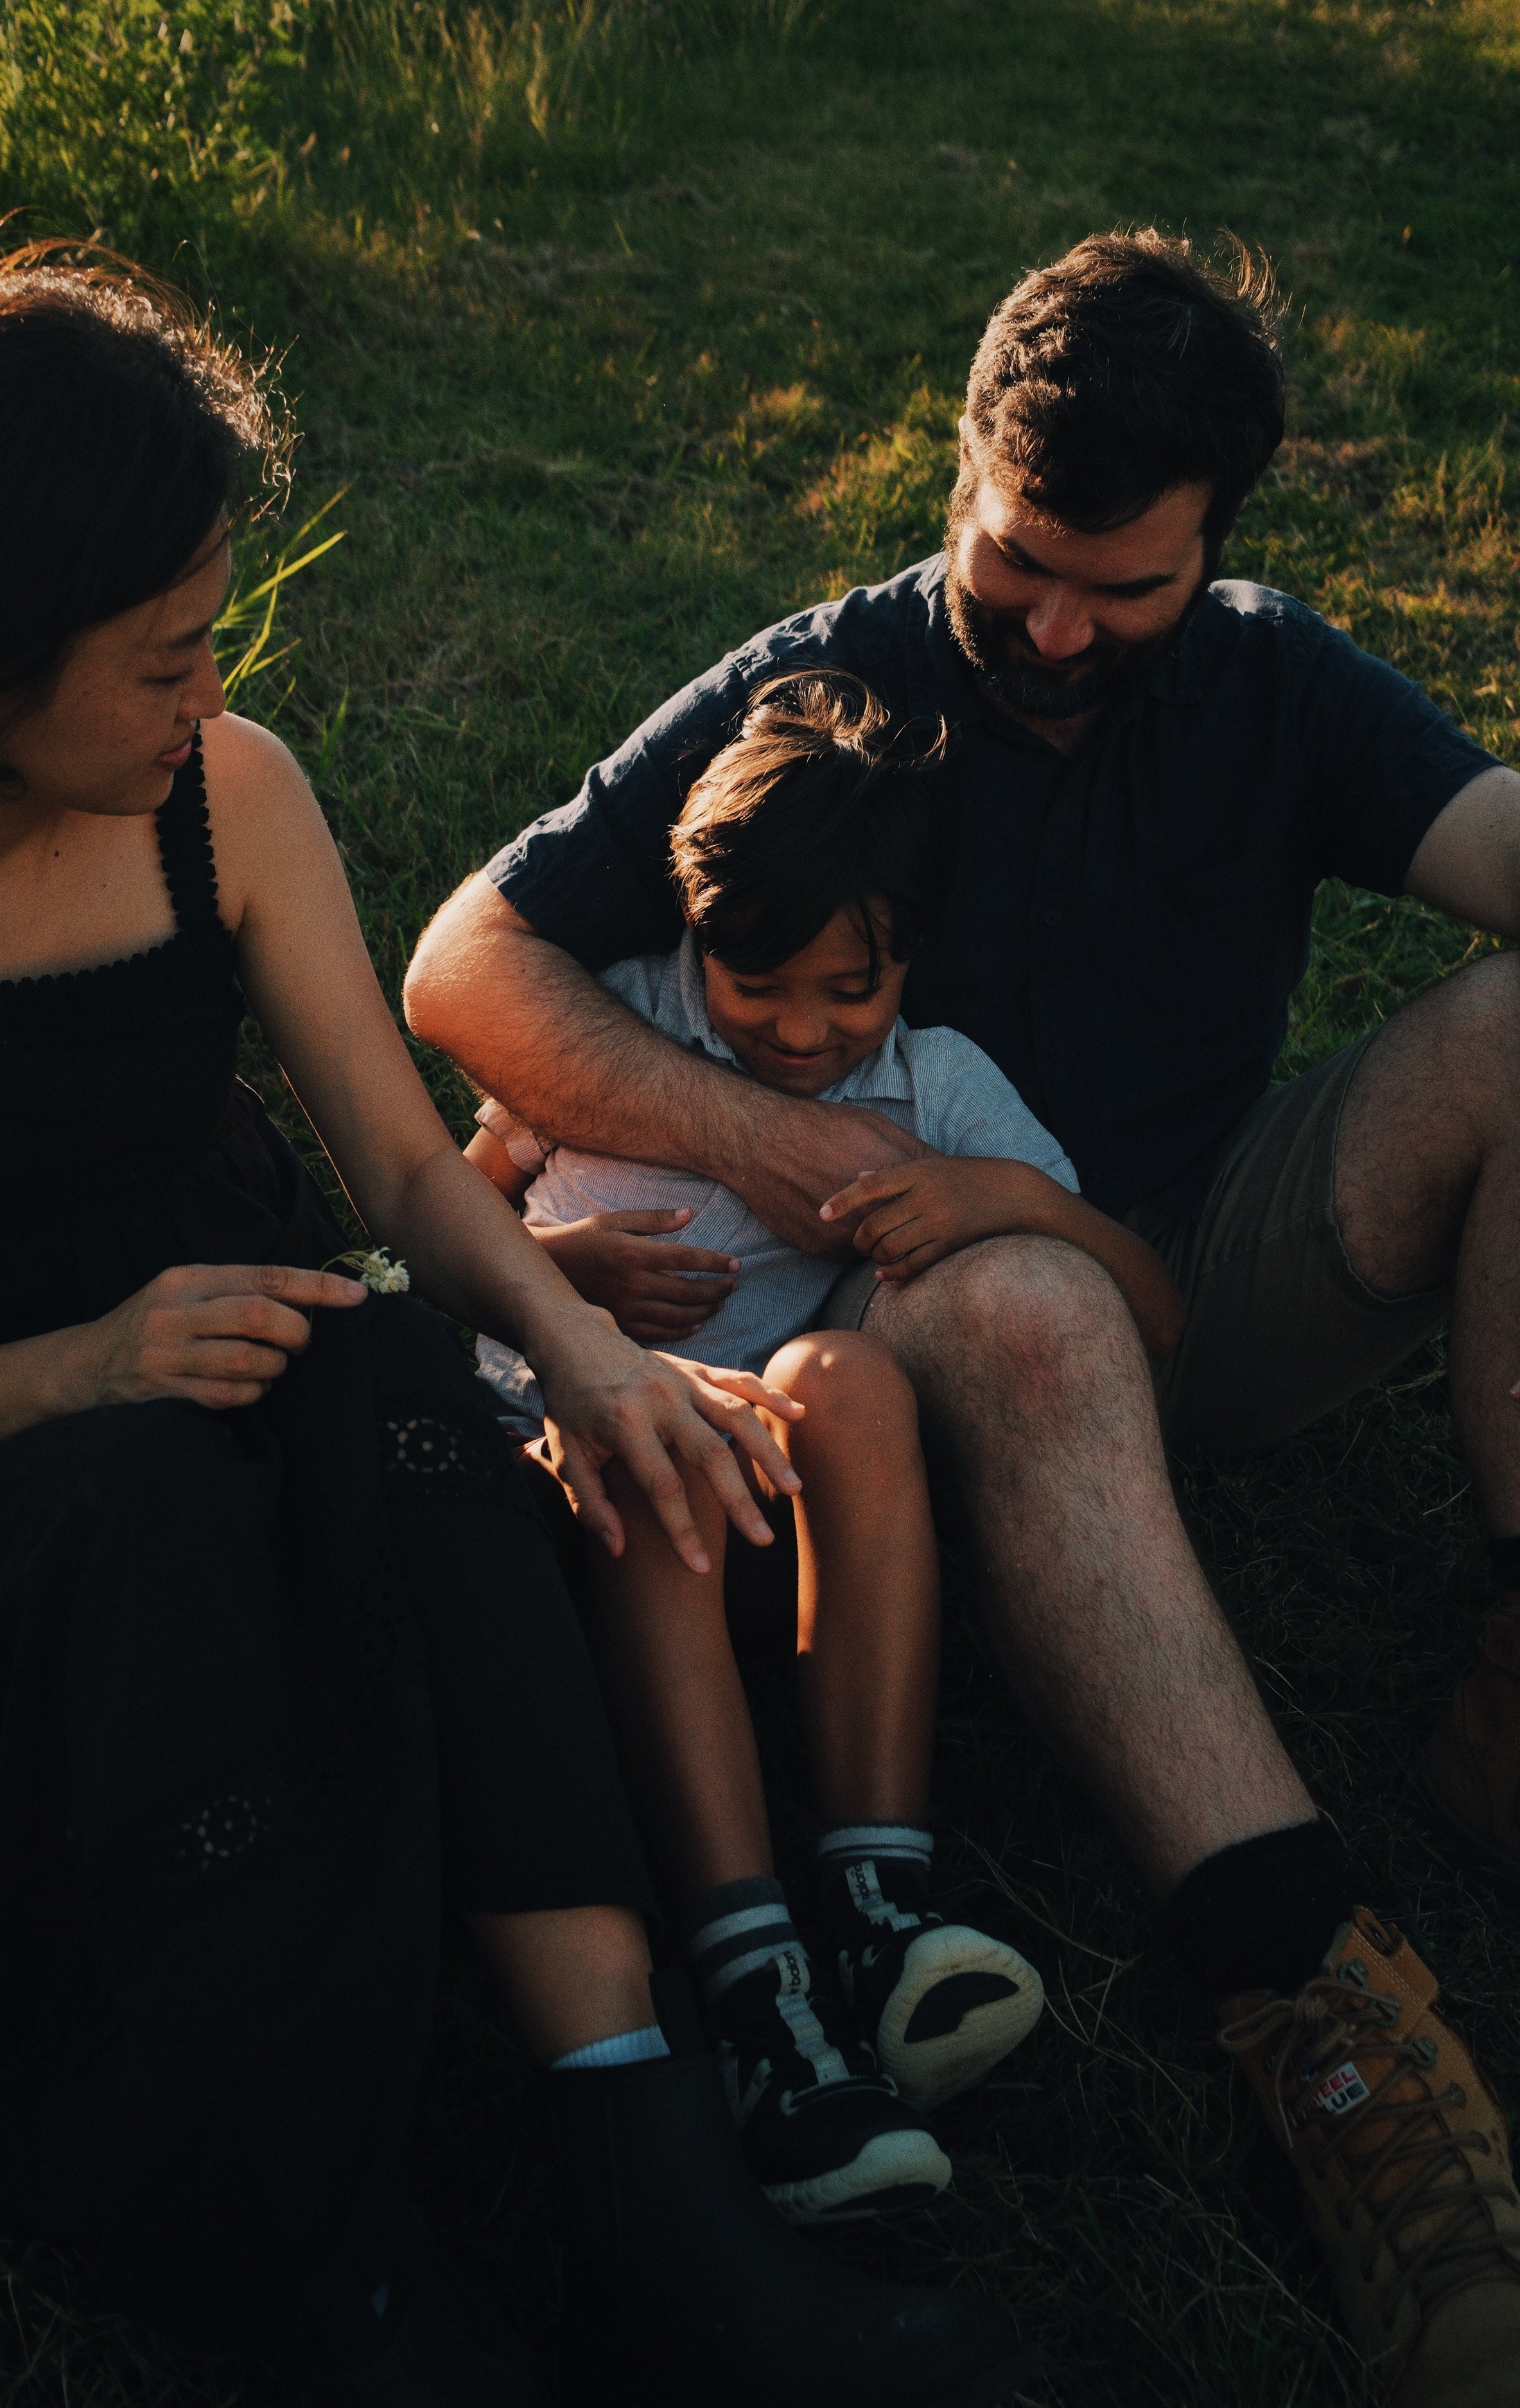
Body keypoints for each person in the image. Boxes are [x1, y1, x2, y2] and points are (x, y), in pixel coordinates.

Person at [405, 225, 1520, 2403]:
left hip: (1187, 1261)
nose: (1052, 627)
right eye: (1014, 560)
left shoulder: (1274, 674)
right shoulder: (839, 687)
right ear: (959, 469)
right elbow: (462, 970)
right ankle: (1325, 2025)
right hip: (902, 1308)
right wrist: (791, 1157)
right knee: (1030, 1302)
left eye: (1117, 590)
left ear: (1217, 541)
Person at [0, 245, 1040, 2408]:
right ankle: (308, 2263)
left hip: (241, 1335)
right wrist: (63, 1374)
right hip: (47, 1428)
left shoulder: (228, 796)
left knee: (402, 1387)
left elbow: (397, 1178)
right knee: (153, 1531)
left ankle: (649, 2162)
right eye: (162, 657)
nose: (213, 692)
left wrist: (581, 1356)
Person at [467, 667, 1184, 2226]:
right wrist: (563, 1284)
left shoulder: (934, 1091)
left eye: (845, 992)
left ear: (906, 959)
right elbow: (447, 1210)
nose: (798, 1031)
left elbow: (1152, 1319)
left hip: (769, 1524)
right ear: (693, 931)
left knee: (842, 1381)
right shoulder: (611, 1031)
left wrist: (1005, 1202)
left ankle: (876, 1906)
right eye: (756, 983)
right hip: (554, 1484)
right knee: (663, 1439)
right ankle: (751, 1978)